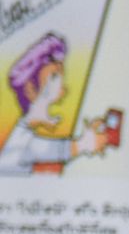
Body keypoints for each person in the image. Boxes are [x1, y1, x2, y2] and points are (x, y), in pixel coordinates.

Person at [2, 34, 110, 178]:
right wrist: (84, 144)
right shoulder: (20, 143)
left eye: (60, 77)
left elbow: (48, 149)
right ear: (30, 89)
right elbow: (47, 149)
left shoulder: (23, 136)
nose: (61, 88)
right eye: (54, 76)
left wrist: (85, 143)